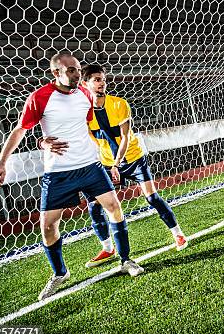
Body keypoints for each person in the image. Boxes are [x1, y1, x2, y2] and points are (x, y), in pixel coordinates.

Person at [0, 52, 143, 301]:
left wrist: (111, 158)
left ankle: (125, 260)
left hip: (90, 166)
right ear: (56, 73)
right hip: (58, 173)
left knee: (114, 207)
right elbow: (20, 129)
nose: (76, 73)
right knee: (48, 227)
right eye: (70, 70)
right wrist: (4, 160)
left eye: (78, 69)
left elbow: (88, 127)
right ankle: (60, 273)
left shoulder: (85, 94)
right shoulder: (40, 97)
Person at [74, 64, 188, 267]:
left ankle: (178, 234)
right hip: (107, 164)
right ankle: (108, 248)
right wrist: (103, 161)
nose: (102, 83)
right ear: (85, 84)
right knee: (94, 206)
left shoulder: (119, 104)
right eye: (97, 80)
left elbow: (125, 137)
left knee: (152, 197)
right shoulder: (84, 112)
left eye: (103, 79)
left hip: (133, 158)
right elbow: (92, 138)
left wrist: (117, 163)